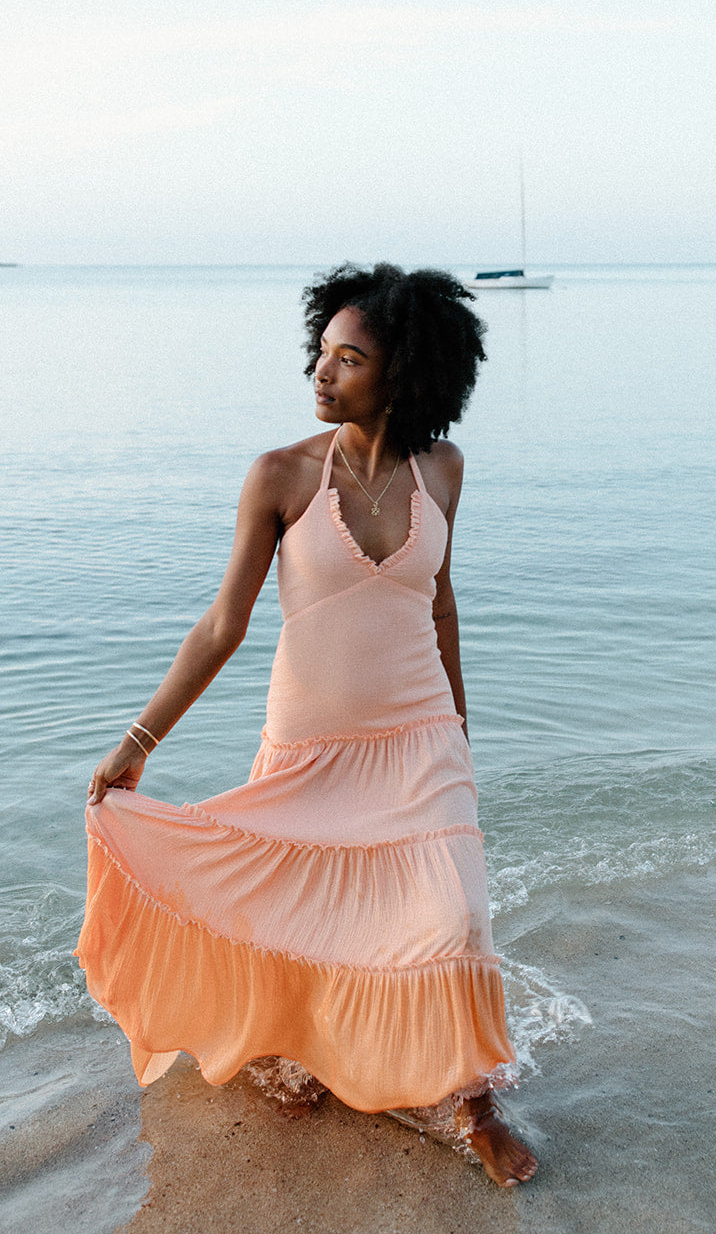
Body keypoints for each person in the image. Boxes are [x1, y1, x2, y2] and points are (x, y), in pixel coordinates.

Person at [79, 262, 538, 1188]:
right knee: (297, 911)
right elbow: (222, 626)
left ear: (404, 373)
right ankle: (296, 1048)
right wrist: (136, 745)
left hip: (419, 738)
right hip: (309, 746)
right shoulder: (282, 475)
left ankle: (474, 1103)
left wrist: (459, 729)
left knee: (451, 919)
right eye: (320, 353)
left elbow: (440, 605)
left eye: (348, 358)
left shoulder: (441, 469)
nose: (320, 374)